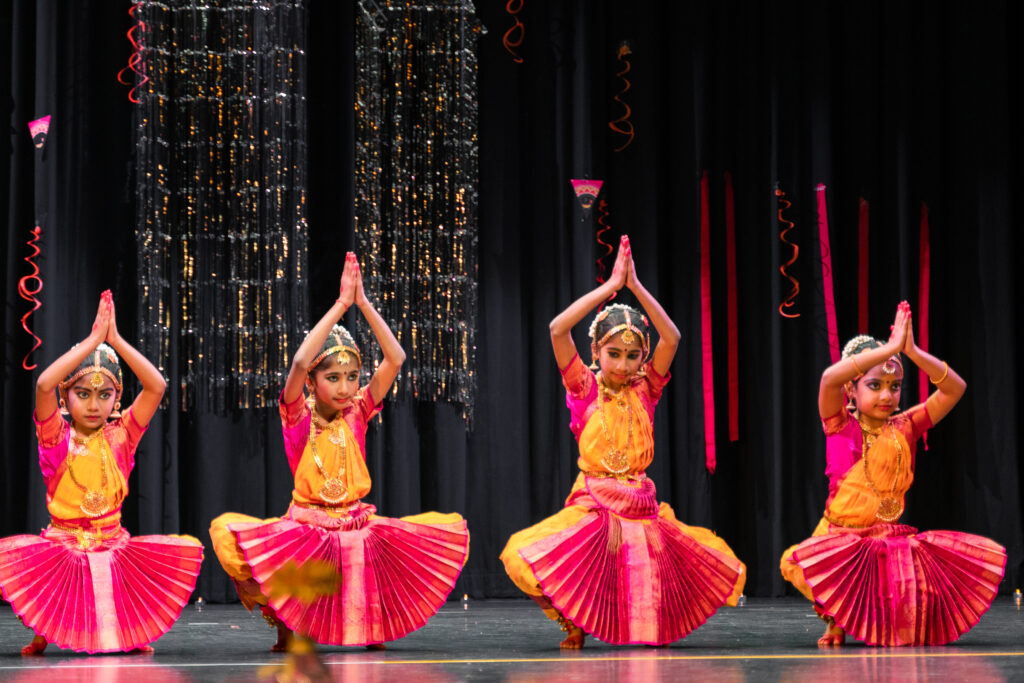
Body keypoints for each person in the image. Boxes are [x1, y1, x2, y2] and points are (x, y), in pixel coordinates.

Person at [209, 252, 470, 650]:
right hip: (308, 527)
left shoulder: (358, 411)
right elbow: (298, 360)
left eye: (352, 377)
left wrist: (363, 304)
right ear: (312, 382)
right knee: (229, 535)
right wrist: (340, 306)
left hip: (355, 523)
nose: (346, 388)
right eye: (333, 378)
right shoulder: (296, 416)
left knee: (414, 538)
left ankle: (370, 628)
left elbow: (396, 358)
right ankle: (286, 625)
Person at [500, 236, 746, 648]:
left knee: (657, 585)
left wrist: (637, 288)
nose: (623, 364)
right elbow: (557, 329)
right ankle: (573, 620)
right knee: (522, 555)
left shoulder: (646, 389)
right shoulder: (584, 388)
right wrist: (610, 288)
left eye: (633, 356)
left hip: (641, 505)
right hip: (594, 502)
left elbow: (673, 338)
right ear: (597, 351)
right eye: (613, 353)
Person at [780, 301, 1006, 646]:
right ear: (851, 391)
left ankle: (859, 619)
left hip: (887, 543)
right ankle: (836, 621)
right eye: (874, 386)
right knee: (808, 566)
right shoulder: (839, 425)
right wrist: (887, 348)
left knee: (906, 618)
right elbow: (828, 378)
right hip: (839, 543)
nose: (887, 395)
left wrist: (911, 351)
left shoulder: (907, 426)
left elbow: (954, 389)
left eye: (895, 386)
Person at [0, 290, 203, 655]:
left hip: (113, 543)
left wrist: (116, 341)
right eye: (82, 394)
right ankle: (45, 632)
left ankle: (131, 632)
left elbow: (156, 386)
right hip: (63, 546)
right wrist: (93, 341)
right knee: (49, 569)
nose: (94, 404)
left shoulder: (122, 434)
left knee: (123, 570)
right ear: (65, 398)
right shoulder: (55, 436)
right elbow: (44, 383)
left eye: (104, 394)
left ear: (117, 398)